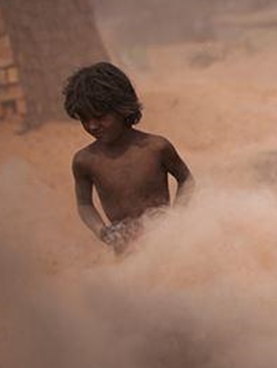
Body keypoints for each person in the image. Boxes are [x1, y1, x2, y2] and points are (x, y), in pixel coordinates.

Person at [65, 62, 194, 255]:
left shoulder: (156, 147)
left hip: (165, 244)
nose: (92, 126)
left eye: (100, 117)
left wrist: (175, 218)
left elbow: (186, 180)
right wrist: (103, 231)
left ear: (122, 109)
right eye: (85, 119)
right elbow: (84, 204)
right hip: (125, 251)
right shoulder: (84, 161)